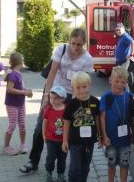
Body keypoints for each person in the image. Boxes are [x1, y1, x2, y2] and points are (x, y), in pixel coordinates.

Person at [20, 29, 93, 174]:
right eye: (73, 43)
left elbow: (83, 82)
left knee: (68, 129)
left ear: (84, 43)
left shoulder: (87, 59)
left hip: (71, 95)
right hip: (53, 91)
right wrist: (47, 95)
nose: (76, 47)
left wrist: (75, 103)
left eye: (79, 44)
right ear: (69, 41)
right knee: (41, 125)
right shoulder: (61, 49)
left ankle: (70, 165)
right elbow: (52, 73)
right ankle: (33, 161)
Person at [62, 72, 100, 182]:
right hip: (75, 142)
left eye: (84, 87)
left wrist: (100, 137)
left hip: (89, 142)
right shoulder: (71, 104)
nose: (82, 90)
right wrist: (64, 140)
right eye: (78, 88)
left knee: (85, 167)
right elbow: (66, 122)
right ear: (73, 89)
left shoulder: (95, 102)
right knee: (74, 168)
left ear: (89, 86)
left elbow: (98, 121)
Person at [98, 66, 134, 182]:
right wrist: (104, 136)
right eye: (117, 81)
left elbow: (132, 116)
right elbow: (102, 118)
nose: (120, 84)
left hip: (125, 138)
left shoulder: (129, 97)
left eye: (123, 82)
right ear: (110, 80)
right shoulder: (106, 97)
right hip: (111, 138)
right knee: (112, 162)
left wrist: (133, 131)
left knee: (124, 163)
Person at [4, 52, 33, 155]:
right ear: (21, 62)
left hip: (20, 103)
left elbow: (19, 88)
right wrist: (24, 92)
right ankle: (6, 147)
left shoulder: (18, 74)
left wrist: (27, 91)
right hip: (12, 104)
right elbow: (9, 89)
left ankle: (23, 145)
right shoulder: (12, 74)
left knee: (22, 124)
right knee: (12, 125)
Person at [43, 85, 68, 182]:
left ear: (62, 99)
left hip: (63, 140)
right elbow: (44, 122)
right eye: (51, 97)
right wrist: (43, 135)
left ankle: (61, 174)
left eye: (56, 98)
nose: (52, 100)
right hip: (51, 139)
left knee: (62, 158)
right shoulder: (48, 109)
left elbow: (68, 123)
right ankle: (49, 173)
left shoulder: (66, 109)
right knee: (50, 157)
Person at [114, 23, 134, 87]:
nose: (118, 31)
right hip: (120, 61)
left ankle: (125, 94)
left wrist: (131, 55)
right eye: (116, 30)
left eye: (119, 30)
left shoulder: (126, 36)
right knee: (121, 77)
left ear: (123, 29)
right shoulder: (121, 37)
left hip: (124, 61)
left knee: (123, 78)